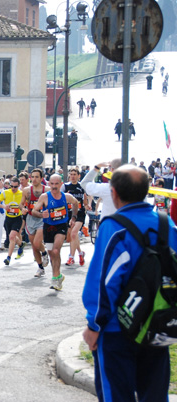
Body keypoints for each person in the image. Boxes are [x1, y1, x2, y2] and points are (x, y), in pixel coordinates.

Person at [82, 165, 177, 401]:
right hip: (157, 325)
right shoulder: (168, 225)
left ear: (113, 193)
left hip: (117, 329)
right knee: (154, 394)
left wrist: (94, 325)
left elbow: (104, 283)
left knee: (117, 394)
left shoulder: (114, 227)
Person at [31, 174, 78, 291]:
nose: (54, 186)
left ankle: (55, 278)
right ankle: (58, 276)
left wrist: (74, 217)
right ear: (49, 184)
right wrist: (42, 214)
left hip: (61, 226)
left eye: (57, 184)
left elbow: (75, 203)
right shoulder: (44, 197)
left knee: (56, 250)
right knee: (52, 253)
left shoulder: (66, 196)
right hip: (48, 227)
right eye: (52, 184)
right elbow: (34, 211)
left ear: (61, 184)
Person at [19, 168, 49, 277]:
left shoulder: (47, 190)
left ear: (41, 178)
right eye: (33, 177)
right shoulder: (26, 190)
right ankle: (40, 267)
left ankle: (44, 253)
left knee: (37, 242)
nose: (34, 179)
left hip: (42, 219)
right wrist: (23, 209)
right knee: (34, 246)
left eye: (37, 177)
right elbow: (21, 204)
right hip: (30, 218)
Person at [0, 177, 24, 265]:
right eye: (11, 186)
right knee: (12, 236)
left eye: (15, 187)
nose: (13, 188)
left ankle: (8, 257)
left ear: (19, 186)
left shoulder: (22, 194)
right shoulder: (5, 192)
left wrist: (23, 209)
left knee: (11, 237)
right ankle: (21, 244)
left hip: (17, 218)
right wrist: (4, 207)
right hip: (8, 218)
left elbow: (26, 204)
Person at [62, 168, 87, 267]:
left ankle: (71, 257)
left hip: (80, 213)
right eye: (71, 174)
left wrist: (87, 205)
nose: (73, 176)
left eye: (75, 174)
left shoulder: (82, 186)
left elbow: (86, 198)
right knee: (73, 236)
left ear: (78, 176)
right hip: (68, 214)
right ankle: (80, 253)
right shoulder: (65, 186)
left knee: (73, 233)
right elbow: (59, 196)